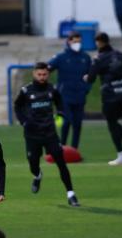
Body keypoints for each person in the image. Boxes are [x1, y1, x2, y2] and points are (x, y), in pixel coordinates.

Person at [14, 62, 80, 207]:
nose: (42, 77)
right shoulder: (26, 91)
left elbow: (60, 103)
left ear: (48, 74)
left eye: (45, 74)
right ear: (34, 74)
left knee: (61, 163)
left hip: (50, 133)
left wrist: (61, 114)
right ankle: (37, 175)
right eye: (39, 74)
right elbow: (17, 107)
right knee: (33, 164)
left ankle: (71, 194)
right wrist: (23, 121)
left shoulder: (52, 89)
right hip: (32, 135)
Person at [86, 32, 122, 165]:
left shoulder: (98, 58)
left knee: (111, 123)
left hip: (110, 95)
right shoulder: (119, 54)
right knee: (114, 122)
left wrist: (86, 77)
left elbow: (91, 78)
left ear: (99, 42)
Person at [48, 32, 92, 149]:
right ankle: (62, 147)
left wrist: (86, 89)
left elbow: (91, 76)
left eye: (79, 42)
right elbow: (47, 69)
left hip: (80, 96)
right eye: (75, 41)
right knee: (66, 121)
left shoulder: (85, 57)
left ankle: (74, 149)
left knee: (77, 124)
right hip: (64, 96)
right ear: (69, 41)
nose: (77, 44)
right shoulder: (61, 57)